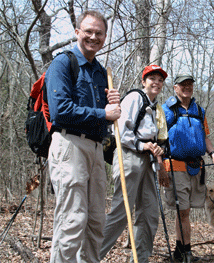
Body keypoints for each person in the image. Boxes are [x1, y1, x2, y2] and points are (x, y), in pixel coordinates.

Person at [45, 10, 121, 263]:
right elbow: (60, 111)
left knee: (96, 221)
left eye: (99, 33)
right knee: (72, 219)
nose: (93, 37)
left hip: (96, 149)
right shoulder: (63, 63)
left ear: (105, 37)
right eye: (88, 31)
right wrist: (103, 112)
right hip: (70, 145)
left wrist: (111, 108)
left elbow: (105, 117)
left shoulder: (100, 71)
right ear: (77, 32)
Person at [100, 65, 168, 263]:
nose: (156, 82)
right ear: (143, 81)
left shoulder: (155, 106)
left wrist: (156, 150)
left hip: (148, 162)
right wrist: (141, 144)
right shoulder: (134, 98)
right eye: (152, 78)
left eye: (160, 80)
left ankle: (140, 259)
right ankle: (92, 256)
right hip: (128, 156)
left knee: (149, 213)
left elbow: (155, 136)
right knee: (122, 211)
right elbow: (119, 130)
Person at [160, 74, 214, 262]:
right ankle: (186, 251)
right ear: (175, 87)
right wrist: (160, 166)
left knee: (186, 212)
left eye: (190, 84)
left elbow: (205, 137)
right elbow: (159, 138)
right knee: (183, 211)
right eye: (183, 85)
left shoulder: (199, 110)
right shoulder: (166, 110)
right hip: (175, 166)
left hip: (196, 167)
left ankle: (180, 251)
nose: (187, 87)